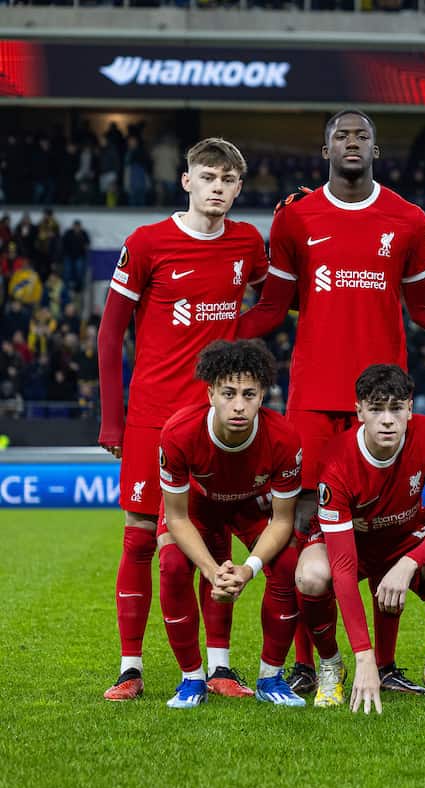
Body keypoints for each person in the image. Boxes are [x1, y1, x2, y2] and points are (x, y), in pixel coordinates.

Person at [236, 109, 425, 693]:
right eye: (341, 135)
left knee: (384, 529)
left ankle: (385, 665)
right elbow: (271, 309)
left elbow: (423, 308)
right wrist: (215, 332)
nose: (351, 143)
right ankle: (306, 662)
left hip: (383, 401)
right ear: (324, 150)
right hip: (314, 400)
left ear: (375, 148)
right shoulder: (296, 217)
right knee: (301, 530)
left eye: (361, 135)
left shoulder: (408, 220)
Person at [98, 137, 268, 701]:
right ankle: (130, 667)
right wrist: (112, 420)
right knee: (141, 536)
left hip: (217, 421)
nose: (218, 187)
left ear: (239, 188)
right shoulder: (147, 243)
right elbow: (109, 332)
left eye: (229, 180)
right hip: (151, 415)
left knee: (212, 535)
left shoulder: (248, 243)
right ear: (187, 181)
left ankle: (217, 667)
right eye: (208, 177)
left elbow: (274, 299)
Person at [295, 365, 425, 711]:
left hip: (405, 538)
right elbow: (344, 567)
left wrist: (408, 564)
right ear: (359, 411)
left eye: (395, 408)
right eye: (376, 409)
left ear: (410, 408)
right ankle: (331, 666)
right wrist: (363, 656)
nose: (387, 420)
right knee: (311, 574)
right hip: (354, 544)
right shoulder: (338, 461)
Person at [156, 340, 305, 709]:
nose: (239, 405)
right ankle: (192, 679)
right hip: (196, 509)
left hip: (249, 507)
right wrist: (211, 571)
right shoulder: (178, 433)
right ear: (210, 394)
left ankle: (271, 677)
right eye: (228, 393)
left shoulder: (284, 438)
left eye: (249, 394)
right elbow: (174, 516)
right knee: (173, 564)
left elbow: (282, 519)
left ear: (262, 396)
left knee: (288, 564)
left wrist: (248, 570)